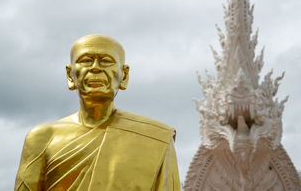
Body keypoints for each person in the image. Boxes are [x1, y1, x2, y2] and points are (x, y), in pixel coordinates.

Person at [15, 34, 180, 190]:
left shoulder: (155, 137)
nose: (95, 68)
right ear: (70, 75)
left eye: (106, 61)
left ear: (124, 75)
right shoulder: (44, 138)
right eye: (86, 60)